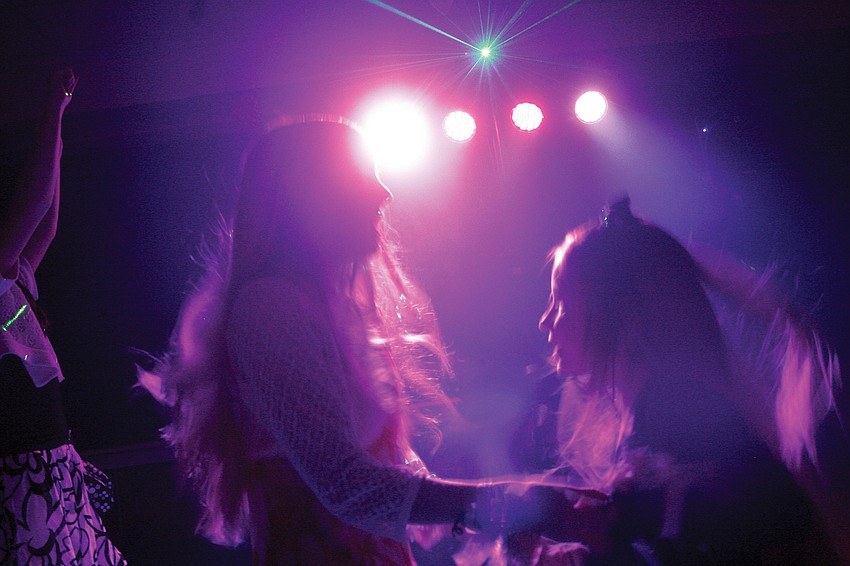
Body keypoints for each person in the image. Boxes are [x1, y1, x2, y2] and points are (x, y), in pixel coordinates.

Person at [139, 116, 566, 565]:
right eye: (364, 177)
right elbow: (347, 484)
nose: (384, 193)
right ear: (309, 195)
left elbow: (375, 480)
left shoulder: (325, 310)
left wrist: (503, 505)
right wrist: (507, 506)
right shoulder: (269, 307)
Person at [529, 197, 842, 565]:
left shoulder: (675, 425)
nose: (545, 322)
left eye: (561, 301)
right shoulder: (661, 413)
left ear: (623, 316)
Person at [0, 68, 127, 564]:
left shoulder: (11, 294)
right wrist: (53, 107)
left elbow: (46, 220)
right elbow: (32, 209)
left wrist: (60, 115)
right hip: (19, 480)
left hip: (50, 468)